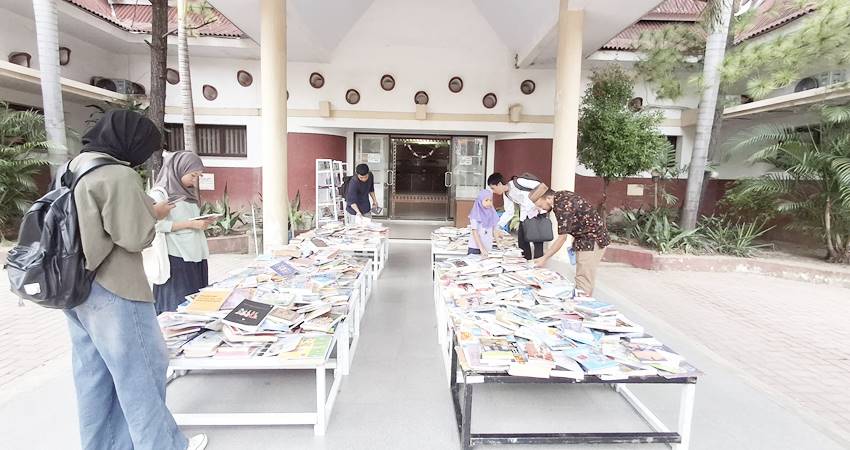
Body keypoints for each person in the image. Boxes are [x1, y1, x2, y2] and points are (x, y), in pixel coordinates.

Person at [67, 110, 207, 450]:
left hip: (76, 285)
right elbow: (135, 237)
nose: (145, 157)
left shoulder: (74, 167)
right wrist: (153, 214)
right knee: (141, 370)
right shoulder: (118, 174)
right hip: (116, 286)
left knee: (94, 374)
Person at [149, 151, 215, 314]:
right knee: (177, 309)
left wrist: (202, 222)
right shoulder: (160, 194)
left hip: (196, 255)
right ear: (179, 169)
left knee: (196, 307)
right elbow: (154, 225)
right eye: (192, 175)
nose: (195, 180)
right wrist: (190, 224)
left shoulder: (188, 193)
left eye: (198, 176)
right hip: (176, 257)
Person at [529, 183, 610, 296]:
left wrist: (544, 258)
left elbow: (562, 238)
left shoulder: (562, 205)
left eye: (540, 205)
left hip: (591, 241)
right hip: (587, 239)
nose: (541, 208)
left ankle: (582, 304)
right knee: (585, 277)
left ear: (547, 198)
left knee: (583, 280)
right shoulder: (562, 195)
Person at [487, 172, 544, 260]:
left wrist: (536, 203)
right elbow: (509, 212)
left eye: (493, 188)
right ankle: (525, 263)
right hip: (524, 217)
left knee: (537, 243)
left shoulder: (519, 182)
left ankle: (538, 265)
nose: (493, 192)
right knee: (522, 242)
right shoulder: (506, 194)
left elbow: (540, 186)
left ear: (499, 184)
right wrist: (498, 226)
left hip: (537, 213)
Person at [467, 189, 499, 256]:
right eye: (486, 200)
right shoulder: (475, 215)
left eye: (490, 200)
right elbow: (475, 233)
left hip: (487, 247)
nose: (489, 203)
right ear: (480, 201)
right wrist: (482, 249)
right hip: (475, 248)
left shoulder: (492, 213)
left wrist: (499, 244)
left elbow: (494, 230)